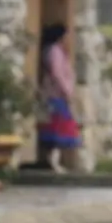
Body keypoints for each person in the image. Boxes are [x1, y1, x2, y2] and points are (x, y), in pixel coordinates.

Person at [36, 25, 82, 172]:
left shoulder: (59, 51)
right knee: (59, 128)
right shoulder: (54, 51)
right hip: (56, 95)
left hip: (58, 94)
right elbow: (57, 73)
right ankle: (53, 161)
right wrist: (66, 90)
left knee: (59, 127)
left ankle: (55, 161)